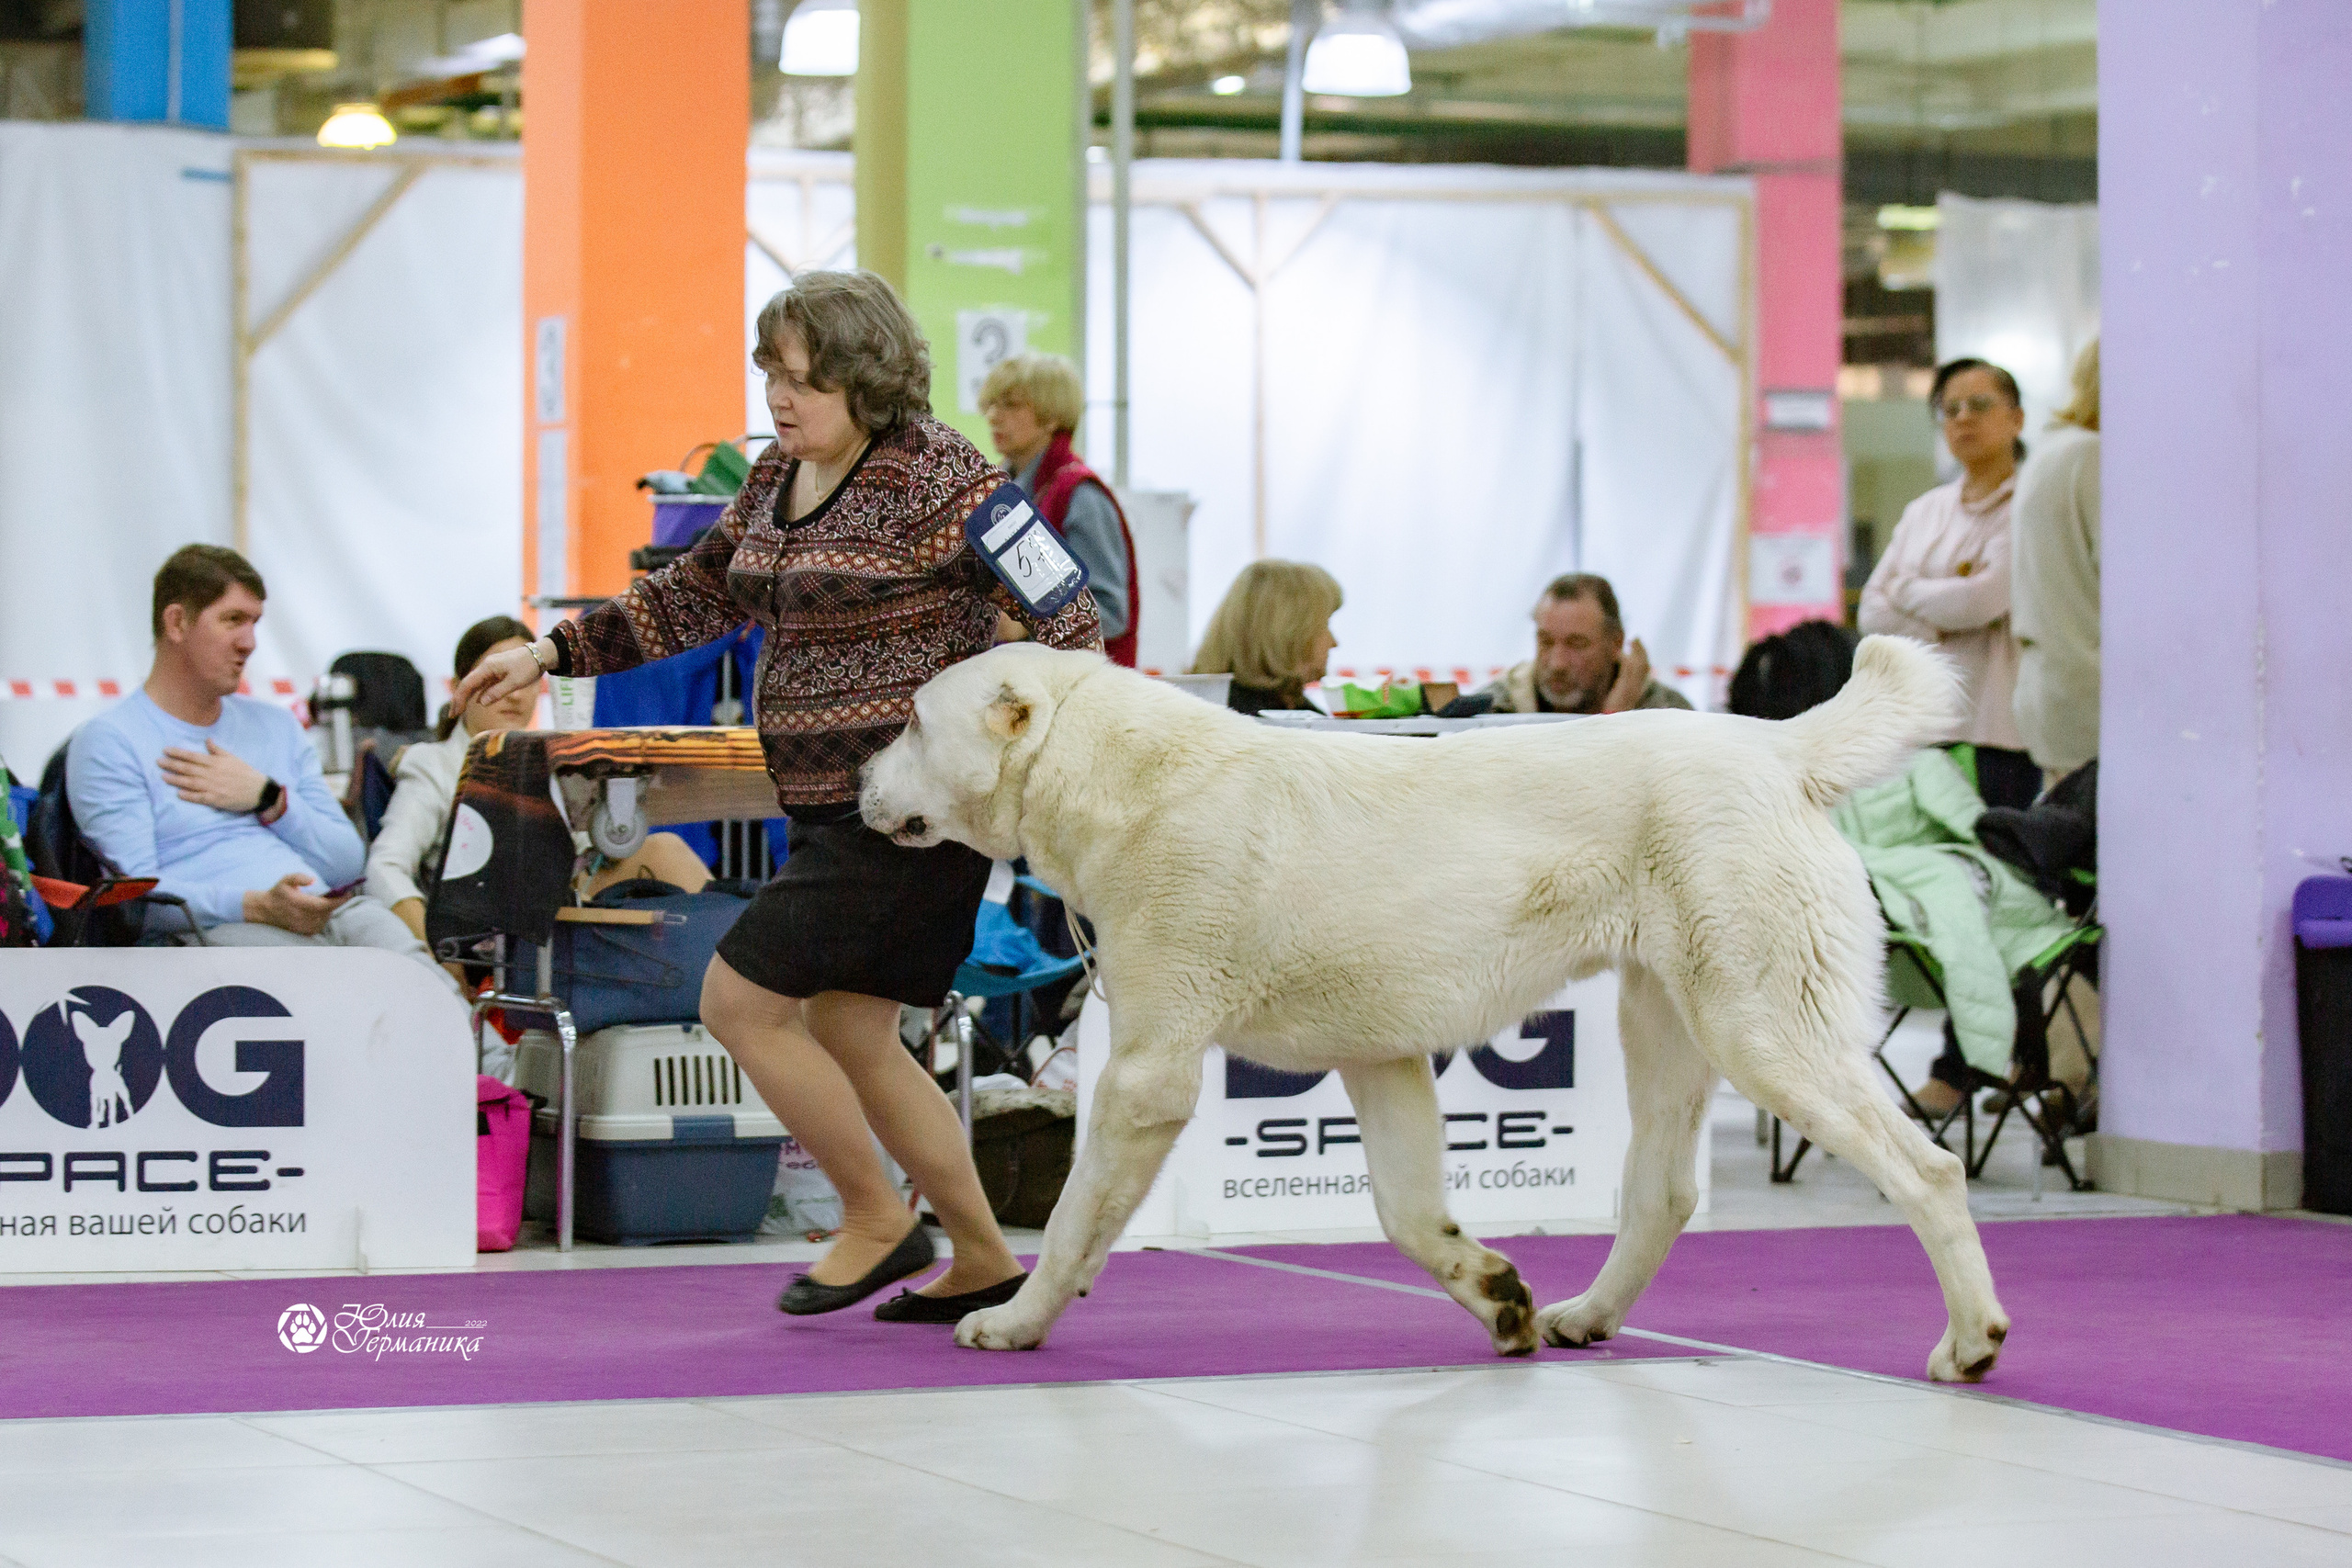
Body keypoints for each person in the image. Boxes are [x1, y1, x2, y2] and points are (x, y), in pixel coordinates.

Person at [455, 270, 1102, 1322]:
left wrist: (979, 725)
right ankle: (983, 1259)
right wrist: (550, 651)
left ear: (871, 379)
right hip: (822, 808)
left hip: (908, 813)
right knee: (853, 1031)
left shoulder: (942, 474)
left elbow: (1071, 615)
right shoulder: (773, 478)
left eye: (804, 380)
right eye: (771, 373)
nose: (779, 397)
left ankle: (876, 1221)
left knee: (738, 1001)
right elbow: (692, 597)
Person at [67, 545, 451, 984]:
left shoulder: (275, 727)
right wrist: (257, 905)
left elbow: (348, 863)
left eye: (254, 623)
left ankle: (502, 1056)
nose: (249, 643)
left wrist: (270, 798)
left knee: (434, 992)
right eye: (232, 620)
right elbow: (135, 900)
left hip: (327, 910)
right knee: (341, 991)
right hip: (219, 933)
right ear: (176, 622)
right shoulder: (110, 742)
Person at [364, 615, 711, 954]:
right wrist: (435, 945)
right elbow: (384, 867)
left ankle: (723, 976)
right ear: (459, 688)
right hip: (494, 936)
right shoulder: (431, 765)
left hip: (568, 909)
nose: (514, 694)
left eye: (526, 680)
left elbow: (589, 854)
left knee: (665, 849)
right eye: (496, 676)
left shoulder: (555, 760)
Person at [1859, 356, 2037, 812]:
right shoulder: (1925, 510)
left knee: (1999, 865)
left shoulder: (2028, 506)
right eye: (1949, 410)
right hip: (1923, 727)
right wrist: (1945, 619)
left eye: (1979, 405)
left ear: (2016, 418)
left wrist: (1906, 592)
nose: (1963, 419)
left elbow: (1985, 600)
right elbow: (1871, 614)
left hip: (1999, 732)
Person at [979, 352, 1139, 666]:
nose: (994, 416)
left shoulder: (1081, 496)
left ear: (1051, 417)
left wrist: (1024, 625)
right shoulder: (999, 491)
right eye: (991, 404)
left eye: (1011, 405)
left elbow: (1110, 613)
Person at [2010, 338, 2101, 781]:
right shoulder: (2093, 456)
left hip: (2049, 691)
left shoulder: (2047, 453)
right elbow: (2128, 582)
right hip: (2094, 694)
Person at [1448, 573, 1692, 716]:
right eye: (1545, 642)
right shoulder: (1497, 709)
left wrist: (1622, 717)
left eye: (1577, 645)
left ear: (1616, 643)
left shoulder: (1665, 712)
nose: (1557, 663)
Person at [1190, 560, 1342, 715]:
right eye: (1325, 624)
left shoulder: (1206, 707)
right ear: (1288, 633)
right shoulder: (1240, 722)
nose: (1334, 643)